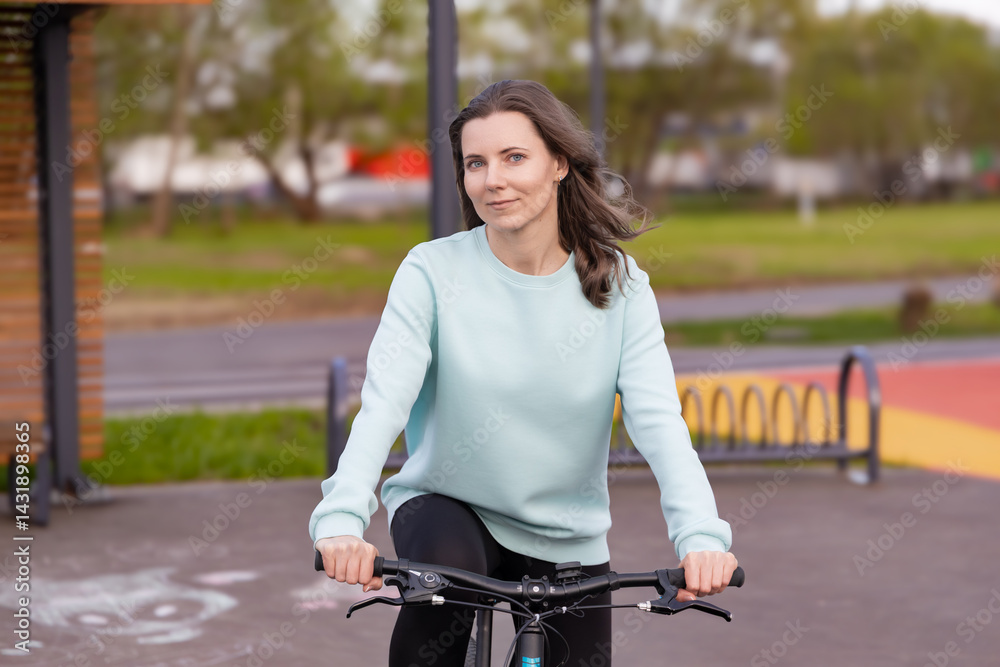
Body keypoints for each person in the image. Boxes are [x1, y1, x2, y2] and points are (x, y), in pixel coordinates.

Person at [310, 79, 738, 666]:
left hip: (566, 536)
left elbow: (659, 422)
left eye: (514, 157)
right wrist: (341, 520)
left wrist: (701, 537)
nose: (493, 179)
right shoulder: (431, 271)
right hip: (447, 507)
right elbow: (384, 403)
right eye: (476, 163)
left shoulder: (621, 284)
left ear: (559, 163)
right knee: (443, 587)